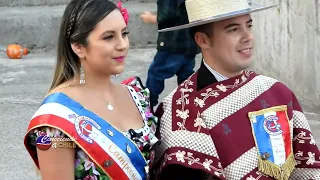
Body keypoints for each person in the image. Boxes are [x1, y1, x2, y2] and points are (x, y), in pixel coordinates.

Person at [149, 0, 320, 179]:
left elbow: (306, 165)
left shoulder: (277, 92)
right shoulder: (180, 115)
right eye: (233, 29)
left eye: (249, 25)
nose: (248, 36)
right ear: (202, 40)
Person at [23, 0, 159, 180]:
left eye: (124, 33)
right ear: (78, 46)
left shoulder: (137, 96)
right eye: (109, 37)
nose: (123, 45)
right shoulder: (55, 119)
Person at [140, 0, 200, 109]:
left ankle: (148, 105)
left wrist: (150, 18)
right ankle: (187, 106)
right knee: (186, 76)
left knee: (156, 73)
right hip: (190, 42)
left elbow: (167, 15)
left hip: (173, 43)